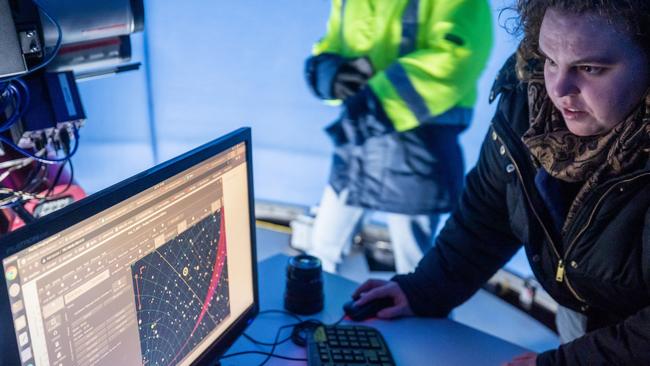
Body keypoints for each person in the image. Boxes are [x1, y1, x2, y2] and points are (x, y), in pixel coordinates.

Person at [350, 0, 650, 364]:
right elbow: (488, 213)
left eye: (590, 68)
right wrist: (426, 288)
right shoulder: (527, 99)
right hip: (582, 314)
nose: (559, 89)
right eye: (550, 59)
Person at [304, 0, 493, 274]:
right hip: (358, 143)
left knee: (418, 274)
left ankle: (420, 315)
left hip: (417, 149)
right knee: (320, 253)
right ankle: (315, 315)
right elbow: (333, 41)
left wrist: (374, 103)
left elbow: (457, 55)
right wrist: (327, 73)